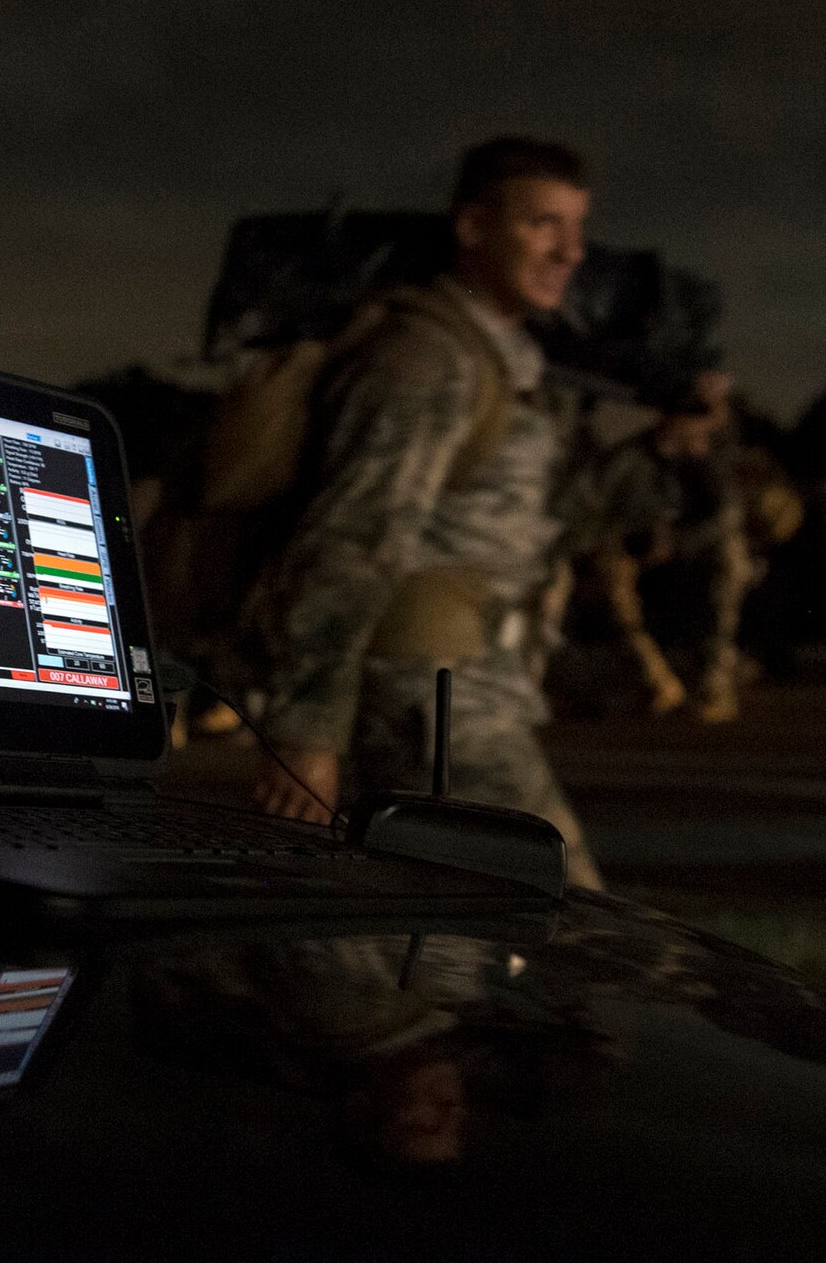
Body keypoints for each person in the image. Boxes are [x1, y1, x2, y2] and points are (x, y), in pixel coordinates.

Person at [242, 137, 604, 889]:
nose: (570, 251)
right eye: (543, 225)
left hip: (471, 680)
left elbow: (555, 520)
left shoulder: (503, 358)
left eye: (577, 229)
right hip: (426, 693)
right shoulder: (426, 357)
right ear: (473, 228)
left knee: (436, 924)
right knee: (568, 918)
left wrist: (667, 454)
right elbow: (350, 540)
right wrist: (307, 729)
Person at [584, 371, 755, 723]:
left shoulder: (713, 457)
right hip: (633, 541)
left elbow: (723, 514)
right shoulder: (630, 453)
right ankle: (654, 680)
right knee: (607, 580)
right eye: (695, 412)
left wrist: (674, 539)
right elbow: (597, 510)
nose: (705, 425)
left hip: (686, 543)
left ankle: (714, 683)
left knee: (729, 562)